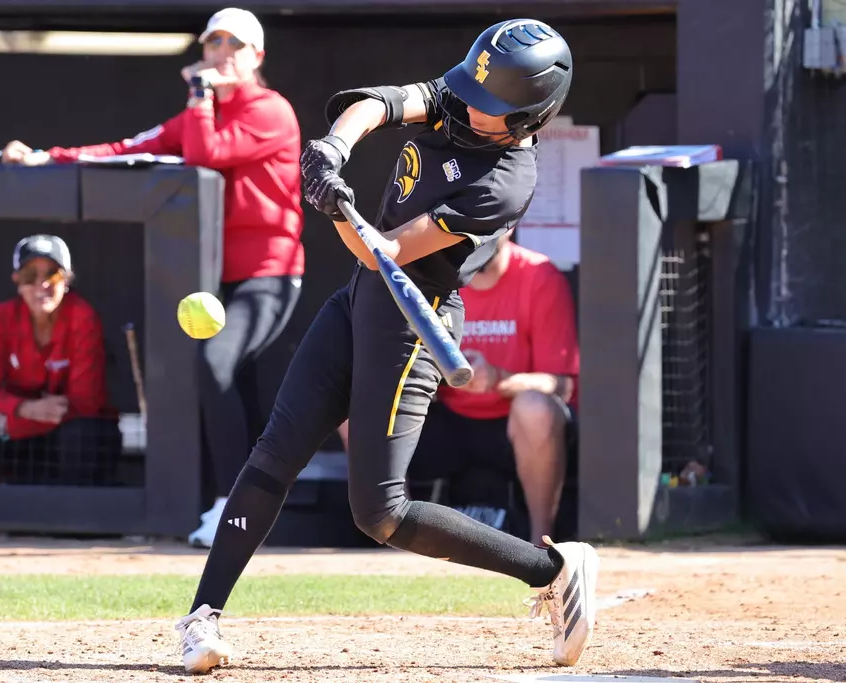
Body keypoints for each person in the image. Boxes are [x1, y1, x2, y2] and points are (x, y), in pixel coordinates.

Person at [172, 19, 600, 675]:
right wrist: (331, 152)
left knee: (381, 512)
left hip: (414, 311)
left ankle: (552, 567)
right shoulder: (465, 96)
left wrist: (338, 209)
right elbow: (382, 104)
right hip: (360, 299)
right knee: (275, 449)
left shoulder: (507, 179)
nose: (469, 105)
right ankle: (202, 616)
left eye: (491, 107)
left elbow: (390, 250)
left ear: (524, 118)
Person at [0, 8, 305, 543]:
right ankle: (246, 510)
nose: (220, 54)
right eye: (213, 44)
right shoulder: (199, 114)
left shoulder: (271, 110)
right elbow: (128, 149)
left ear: (256, 57)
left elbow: (206, 156)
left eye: (234, 46)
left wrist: (198, 98)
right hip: (213, 278)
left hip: (268, 274)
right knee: (234, 385)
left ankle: (233, 506)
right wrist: (50, 158)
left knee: (216, 364)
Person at [338, 232, 580, 544]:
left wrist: (497, 379)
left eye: (492, 226)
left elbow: (561, 384)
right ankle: (391, 535)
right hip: (443, 419)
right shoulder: (427, 276)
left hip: (510, 427)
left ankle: (540, 546)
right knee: (352, 403)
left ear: (509, 224)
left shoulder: (538, 275)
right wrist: (432, 377)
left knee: (535, 407)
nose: (481, 237)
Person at [0, 235, 122, 486]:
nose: (41, 285)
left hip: (64, 437)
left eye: (52, 275)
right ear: (17, 281)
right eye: (30, 276)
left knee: (85, 433)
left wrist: (11, 425)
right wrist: (23, 409)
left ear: (67, 280)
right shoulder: (1, 318)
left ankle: (75, 521)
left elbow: (86, 402)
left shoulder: (83, 319)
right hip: (13, 437)